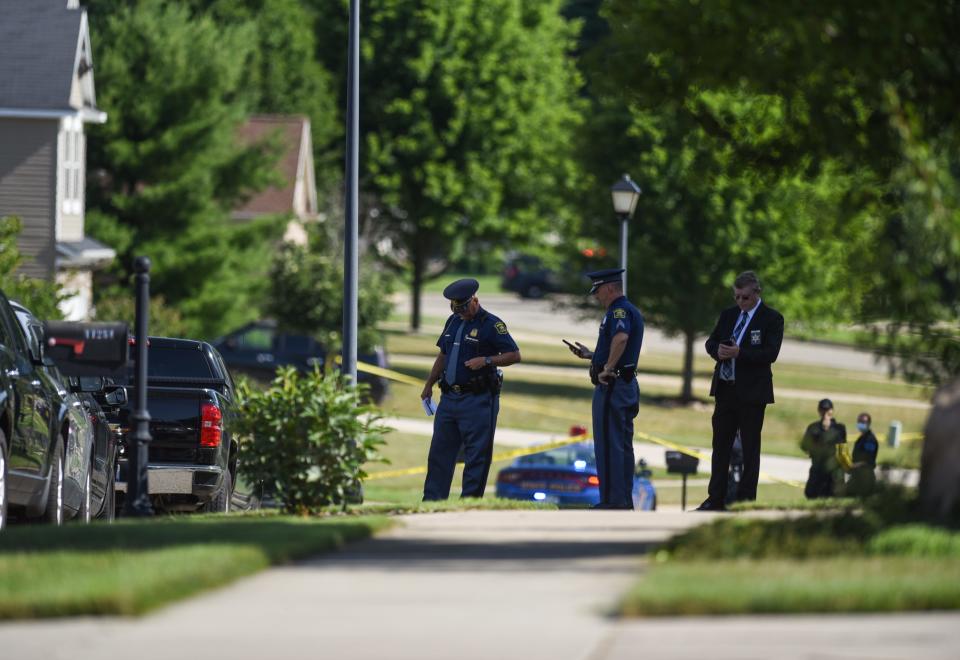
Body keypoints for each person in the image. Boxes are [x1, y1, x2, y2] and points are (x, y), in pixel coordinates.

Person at [421, 278, 521, 500]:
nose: (461, 312)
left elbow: (514, 355)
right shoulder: (453, 321)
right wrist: (429, 383)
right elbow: (443, 354)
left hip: (477, 399)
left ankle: (469, 503)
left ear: (475, 300)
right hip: (449, 398)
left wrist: (486, 360)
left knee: (476, 456)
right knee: (439, 453)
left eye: (464, 307)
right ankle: (432, 502)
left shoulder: (492, 324)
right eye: (456, 308)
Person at [697, 270, 784, 511]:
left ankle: (745, 502)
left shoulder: (772, 319)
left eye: (744, 297)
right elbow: (711, 342)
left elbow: (770, 353)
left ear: (757, 293)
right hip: (726, 389)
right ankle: (715, 498)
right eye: (736, 297)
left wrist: (740, 353)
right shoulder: (729, 315)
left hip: (753, 394)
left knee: (749, 449)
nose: (740, 302)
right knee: (720, 446)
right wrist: (718, 351)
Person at [566, 268, 644, 509]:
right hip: (619, 384)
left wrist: (607, 368)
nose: (597, 296)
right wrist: (592, 356)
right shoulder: (620, 310)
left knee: (611, 445)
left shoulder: (619, 310)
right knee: (613, 443)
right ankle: (616, 499)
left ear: (610, 288)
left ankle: (615, 501)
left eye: (598, 291)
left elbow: (621, 339)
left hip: (614, 386)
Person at [801, 398, 848, 498]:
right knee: (811, 494)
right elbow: (804, 446)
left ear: (832, 411)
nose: (825, 412)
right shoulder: (813, 428)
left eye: (828, 410)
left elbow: (843, 448)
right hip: (818, 468)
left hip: (834, 469)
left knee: (835, 495)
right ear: (819, 411)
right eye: (823, 410)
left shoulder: (839, 428)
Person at [847, 411, 879, 496]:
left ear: (868, 424)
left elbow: (868, 460)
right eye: (859, 422)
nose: (860, 424)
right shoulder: (861, 438)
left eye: (863, 422)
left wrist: (853, 466)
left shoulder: (870, 440)